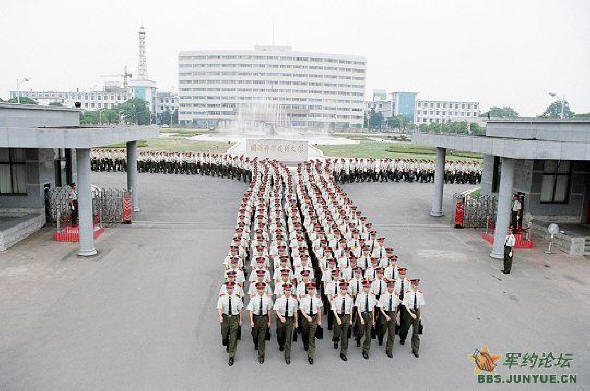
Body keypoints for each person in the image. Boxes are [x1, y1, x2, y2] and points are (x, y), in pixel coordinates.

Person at [216, 281, 243, 366]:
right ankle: (226, 342)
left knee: (233, 337)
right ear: (226, 289)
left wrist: (240, 320)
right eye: (228, 288)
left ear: (233, 288)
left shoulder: (237, 298)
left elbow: (240, 310)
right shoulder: (222, 298)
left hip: (234, 318)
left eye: (231, 288)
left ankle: (231, 356)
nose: (229, 289)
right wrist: (220, 316)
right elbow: (220, 308)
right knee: (224, 334)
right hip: (225, 318)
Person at [246, 281, 273, 364]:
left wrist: (269, 321)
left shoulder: (268, 299)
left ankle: (261, 355)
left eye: (262, 289)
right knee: (254, 334)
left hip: (264, 318)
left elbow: (269, 310)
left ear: (264, 289)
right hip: (255, 318)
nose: (260, 290)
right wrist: (251, 321)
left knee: (262, 337)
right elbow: (250, 310)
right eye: (259, 289)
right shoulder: (253, 299)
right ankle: (255, 343)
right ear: (257, 289)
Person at [273, 283, 298, 364]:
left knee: (288, 337)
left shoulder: (294, 300)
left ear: (290, 291)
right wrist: (281, 317)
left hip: (290, 319)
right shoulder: (279, 299)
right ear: (284, 290)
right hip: (281, 318)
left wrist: (296, 322)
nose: (287, 291)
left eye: (289, 290)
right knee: (280, 334)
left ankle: (287, 356)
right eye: (286, 290)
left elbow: (295, 312)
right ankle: (281, 344)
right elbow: (276, 310)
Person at [299, 282, 323, 364]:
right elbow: (301, 309)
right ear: (307, 289)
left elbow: (319, 309)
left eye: (312, 289)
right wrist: (306, 316)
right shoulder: (303, 298)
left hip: (314, 318)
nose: (311, 290)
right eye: (309, 289)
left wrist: (319, 320)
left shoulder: (318, 297)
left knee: (312, 337)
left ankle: (310, 355)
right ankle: (305, 344)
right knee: (305, 333)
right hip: (305, 317)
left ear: (315, 289)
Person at [401, 279, 425, 358]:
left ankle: (415, 349)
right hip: (409, 312)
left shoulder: (420, 294)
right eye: (414, 285)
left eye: (417, 285)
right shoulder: (407, 293)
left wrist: (420, 315)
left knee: (415, 331)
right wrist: (411, 313)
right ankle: (403, 338)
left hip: (416, 312)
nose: (415, 286)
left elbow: (420, 305)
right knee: (406, 328)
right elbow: (406, 305)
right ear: (411, 285)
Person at [354, 279, 377, 359]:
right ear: (363, 288)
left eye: (368, 287)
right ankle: (358, 338)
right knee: (361, 331)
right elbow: (358, 308)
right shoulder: (359, 295)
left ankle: (365, 350)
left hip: (370, 315)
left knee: (368, 334)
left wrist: (373, 319)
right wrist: (360, 318)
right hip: (362, 315)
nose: (367, 288)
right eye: (365, 287)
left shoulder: (372, 295)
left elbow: (373, 307)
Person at [331, 281, 354, 361]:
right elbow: (333, 309)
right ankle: (336, 340)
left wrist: (351, 319)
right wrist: (337, 318)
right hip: (338, 316)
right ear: (340, 289)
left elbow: (351, 309)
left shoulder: (350, 298)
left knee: (345, 336)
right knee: (337, 332)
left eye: (345, 289)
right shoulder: (335, 297)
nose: (344, 290)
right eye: (342, 289)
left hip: (346, 317)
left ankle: (343, 352)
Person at [378, 279, 400, 358]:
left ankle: (389, 350)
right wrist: (386, 316)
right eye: (390, 287)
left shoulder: (396, 295)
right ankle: (380, 337)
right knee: (383, 328)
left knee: (391, 333)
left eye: (392, 287)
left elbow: (396, 306)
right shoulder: (383, 295)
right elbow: (380, 308)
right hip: (384, 313)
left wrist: (395, 314)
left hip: (392, 313)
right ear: (387, 287)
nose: (391, 289)